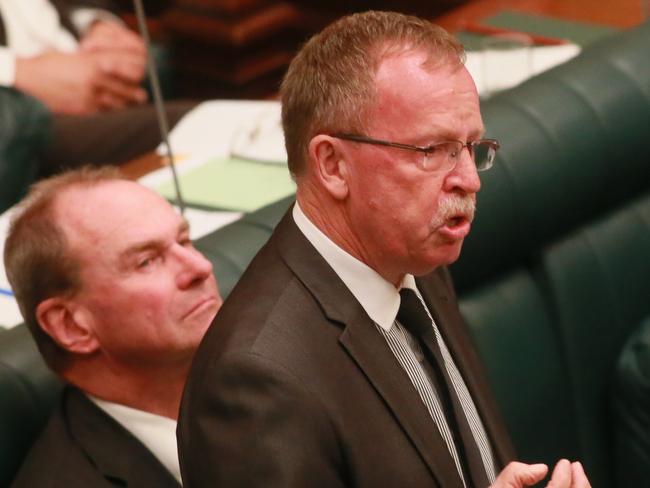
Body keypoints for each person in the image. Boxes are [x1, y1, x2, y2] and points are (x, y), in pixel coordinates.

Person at [178, 11, 591, 488]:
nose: (470, 179)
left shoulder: (418, 260)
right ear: (332, 164)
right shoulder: (256, 381)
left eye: (471, 146)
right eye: (431, 151)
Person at [4, 166, 222, 487]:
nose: (201, 267)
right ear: (71, 326)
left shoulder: (278, 377)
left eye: (184, 241)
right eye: (146, 261)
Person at [0, 0, 192, 174]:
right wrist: (16, 70)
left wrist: (97, 24)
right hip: (21, 108)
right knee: (199, 123)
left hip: (83, 57)